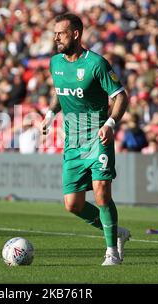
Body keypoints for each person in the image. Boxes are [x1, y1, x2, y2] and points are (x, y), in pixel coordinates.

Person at [41, 13, 130, 266]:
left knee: (102, 194)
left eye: (61, 33)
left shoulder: (96, 64)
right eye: (55, 33)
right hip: (73, 142)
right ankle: (116, 231)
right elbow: (61, 91)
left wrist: (110, 123)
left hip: (98, 136)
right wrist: (50, 113)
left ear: (76, 34)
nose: (56, 37)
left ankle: (111, 251)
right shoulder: (55, 63)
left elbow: (121, 96)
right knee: (73, 204)